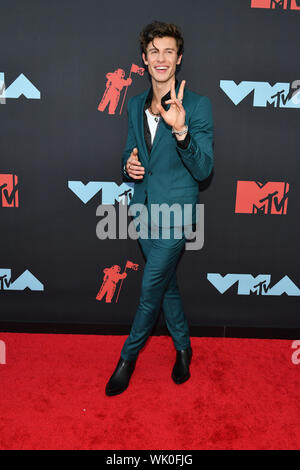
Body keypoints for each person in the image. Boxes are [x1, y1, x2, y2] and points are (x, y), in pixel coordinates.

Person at [105, 20, 214, 396]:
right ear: (144, 60)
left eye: (169, 51)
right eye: (155, 52)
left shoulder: (198, 106)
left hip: (177, 217)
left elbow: (204, 169)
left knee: (151, 288)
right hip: (143, 212)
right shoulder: (135, 104)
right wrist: (128, 165)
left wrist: (182, 132)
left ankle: (126, 360)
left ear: (179, 58)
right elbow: (130, 150)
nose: (162, 58)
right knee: (166, 285)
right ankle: (184, 348)